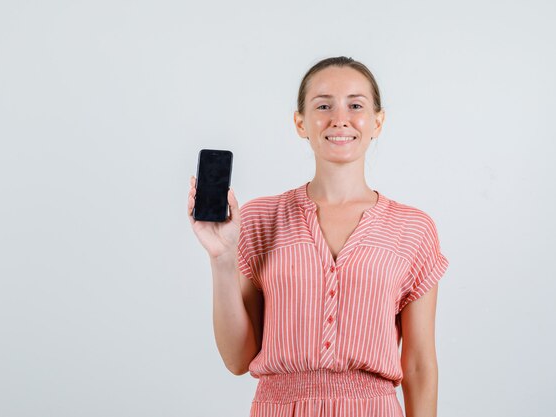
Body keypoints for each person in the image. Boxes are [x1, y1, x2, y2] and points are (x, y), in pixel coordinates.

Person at [187, 56, 449, 417]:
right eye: (323, 105)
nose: (340, 118)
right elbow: (237, 359)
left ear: (378, 121)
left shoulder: (413, 228)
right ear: (301, 122)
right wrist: (221, 258)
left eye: (355, 105)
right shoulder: (262, 218)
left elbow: (419, 364)